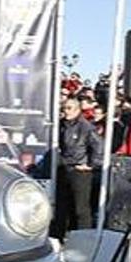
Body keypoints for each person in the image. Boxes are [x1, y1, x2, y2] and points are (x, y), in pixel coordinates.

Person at [51, 97, 102, 240]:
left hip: (79, 171)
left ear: (78, 110)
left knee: (81, 209)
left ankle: (84, 239)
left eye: (69, 108)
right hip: (62, 169)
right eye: (64, 108)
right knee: (60, 207)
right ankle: (58, 238)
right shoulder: (60, 125)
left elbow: (99, 147)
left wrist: (91, 165)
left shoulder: (86, 127)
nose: (66, 111)